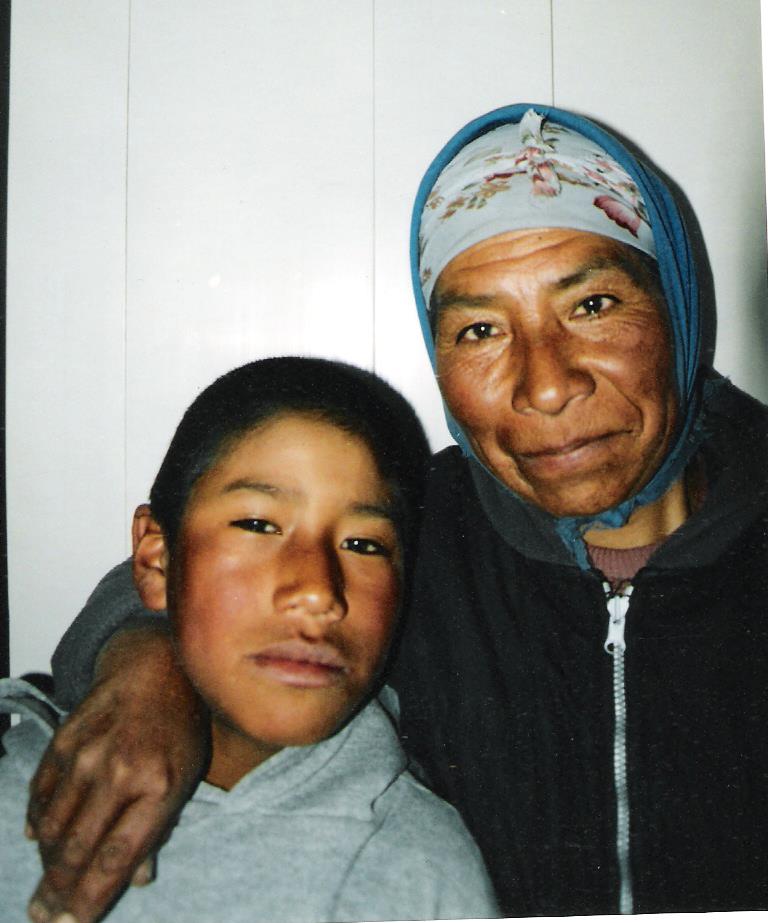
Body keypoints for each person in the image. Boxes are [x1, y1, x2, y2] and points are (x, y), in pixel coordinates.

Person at [27, 104, 768, 920]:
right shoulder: (412, 532)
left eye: (591, 305)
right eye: (480, 329)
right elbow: (193, 571)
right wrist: (145, 666)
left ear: (678, 309)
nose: (546, 384)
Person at [2, 357, 498, 922]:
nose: (316, 591)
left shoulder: (424, 871)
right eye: (259, 525)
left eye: (363, 545)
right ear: (155, 559)